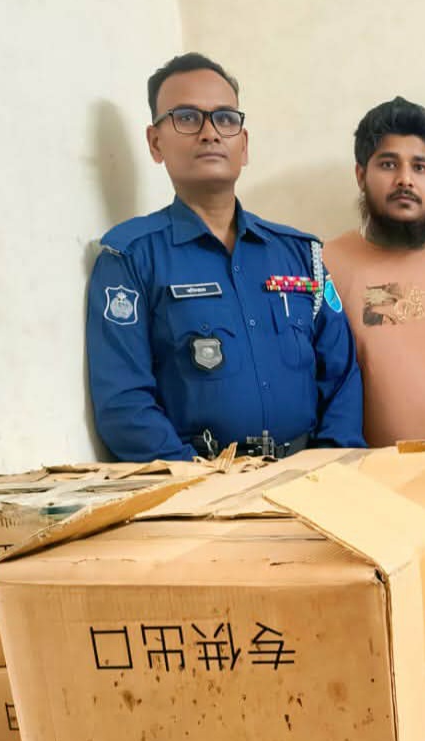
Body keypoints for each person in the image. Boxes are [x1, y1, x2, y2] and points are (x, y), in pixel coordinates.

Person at [87, 52, 364, 461]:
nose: (210, 133)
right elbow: (124, 404)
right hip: (200, 483)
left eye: (225, 119)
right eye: (186, 117)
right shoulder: (130, 259)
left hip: (309, 477)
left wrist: (331, 464)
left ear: (244, 145)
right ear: (155, 142)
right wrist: (201, 483)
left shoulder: (300, 255)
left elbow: (341, 376)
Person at [320, 97, 425, 446]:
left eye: (420, 167)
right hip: (366, 472)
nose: (405, 180)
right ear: (361, 175)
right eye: (388, 164)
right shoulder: (327, 263)